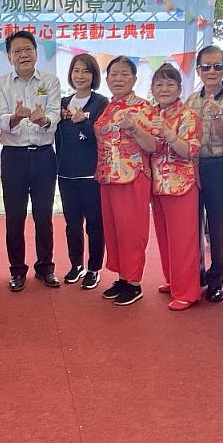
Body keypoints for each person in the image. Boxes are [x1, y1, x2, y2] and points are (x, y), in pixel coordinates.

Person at [0, 31, 61, 292]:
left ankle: (45, 268)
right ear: (9, 57)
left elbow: (54, 115)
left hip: (44, 156)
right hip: (14, 158)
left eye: (28, 49)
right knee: (15, 217)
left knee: (44, 217)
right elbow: (0, 118)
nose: (23, 55)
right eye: (17, 51)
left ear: (35, 52)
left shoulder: (50, 81)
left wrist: (43, 120)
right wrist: (16, 117)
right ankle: (17, 270)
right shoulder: (0, 84)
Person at [95, 56, 159, 306]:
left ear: (134, 79)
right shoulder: (109, 107)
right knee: (114, 230)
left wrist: (133, 128)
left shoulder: (143, 108)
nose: (118, 79)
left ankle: (134, 283)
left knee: (132, 231)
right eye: (113, 75)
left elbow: (153, 145)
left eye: (124, 74)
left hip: (133, 177)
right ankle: (123, 277)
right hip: (108, 176)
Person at [187, 45, 223, 303]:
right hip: (193, 166)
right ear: (198, 70)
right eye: (206, 67)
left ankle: (216, 278)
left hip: (220, 166)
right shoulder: (191, 99)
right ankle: (196, 273)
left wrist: (216, 116)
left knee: (218, 225)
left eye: (217, 66)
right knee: (192, 223)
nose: (211, 71)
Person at [148, 64, 202, 311]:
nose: (164, 89)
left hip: (181, 184)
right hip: (157, 184)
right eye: (159, 84)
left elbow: (189, 151)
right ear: (152, 89)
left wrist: (169, 135)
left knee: (183, 240)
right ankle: (173, 281)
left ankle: (188, 291)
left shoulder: (188, 115)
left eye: (170, 84)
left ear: (180, 88)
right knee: (165, 237)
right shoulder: (150, 113)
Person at [55, 53, 108, 289]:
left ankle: (94, 268)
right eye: (76, 70)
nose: (80, 76)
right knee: (72, 224)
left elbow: (100, 138)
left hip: (91, 175)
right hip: (65, 174)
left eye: (86, 71)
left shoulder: (101, 103)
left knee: (95, 224)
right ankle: (76, 264)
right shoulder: (63, 103)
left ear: (93, 75)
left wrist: (83, 123)